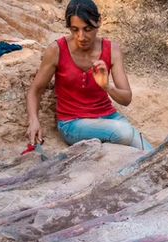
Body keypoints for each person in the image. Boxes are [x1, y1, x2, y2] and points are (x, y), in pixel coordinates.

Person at [26, 0, 151, 150]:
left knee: (153, 154)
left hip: (109, 117)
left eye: (88, 29)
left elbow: (126, 99)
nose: (81, 36)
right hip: (72, 123)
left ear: (99, 21)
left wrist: (106, 86)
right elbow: (35, 90)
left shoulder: (112, 50)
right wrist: (33, 121)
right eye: (75, 29)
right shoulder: (57, 50)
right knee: (124, 132)